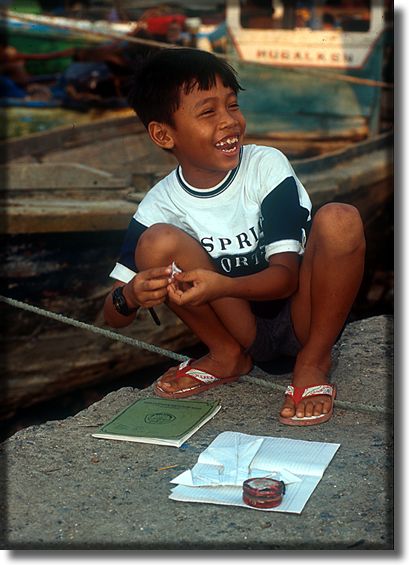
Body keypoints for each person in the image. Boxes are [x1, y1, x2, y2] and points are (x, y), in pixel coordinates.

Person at [103, 48, 365, 426]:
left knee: (341, 219)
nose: (230, 122)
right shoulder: (158, 206)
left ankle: (313, 361)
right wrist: (130, 295)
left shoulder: (265, 166)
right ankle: (226, 355)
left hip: (301, 316)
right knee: (156, 243)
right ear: (163, 134)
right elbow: (112, 316)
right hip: (240, 329)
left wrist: (218, 286)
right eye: (208, 112)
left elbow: (286, 278)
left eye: (232, 105)